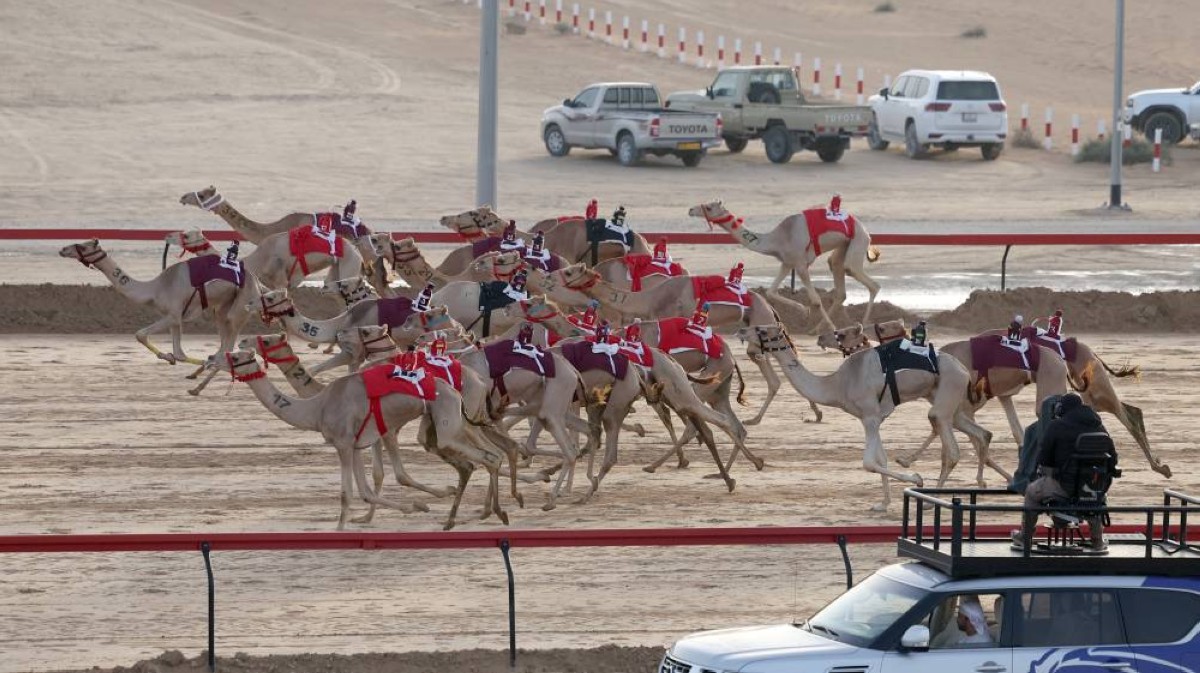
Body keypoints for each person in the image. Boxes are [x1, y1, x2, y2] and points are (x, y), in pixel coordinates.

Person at [1016, 393, 1117, 548]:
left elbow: (1044, 459)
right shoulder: (1100, 427)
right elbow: (1113, 460)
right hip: (1093, 489)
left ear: (1061, 409)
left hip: (1063, 487)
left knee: (1031, 491)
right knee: (1097, 495)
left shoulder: (1056, 426)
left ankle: (1025, 538)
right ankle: (1097, 540)